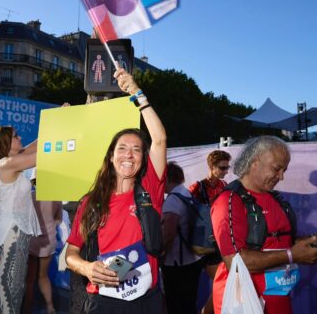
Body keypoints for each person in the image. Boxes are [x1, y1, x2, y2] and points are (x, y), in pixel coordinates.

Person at [65, 67, 167, 314]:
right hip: (103, 302)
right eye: (122, 148)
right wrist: (86, 268)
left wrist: (136, 93)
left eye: (136, 149)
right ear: (111, 156)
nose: (129, 155)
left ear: (143, 158)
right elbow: (71, 253)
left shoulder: (150, 192)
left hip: (147, 301)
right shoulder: (91, 201)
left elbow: (160, 139)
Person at [211, 136, 317, 314]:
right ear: (255, 161)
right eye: (276, 169)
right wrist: (292, 256)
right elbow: (236, 262)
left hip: (279, 300)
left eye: (284, 170)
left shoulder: (275, 198)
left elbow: (282, 243)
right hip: (244, 302)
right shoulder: (228, 201)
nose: (281, 177)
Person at [0, 126, 41, 313]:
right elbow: (44, 152)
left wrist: (55, 123)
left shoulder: (11, 161)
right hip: (12, 233)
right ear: (6, 143)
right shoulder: (7, 164)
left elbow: (35, 146)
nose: (20, 138)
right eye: (16, 136)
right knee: (9, 295)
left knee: (13, 292)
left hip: (16, 232)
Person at [188, 150, 231, 314]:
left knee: (224, 283)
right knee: (223, 283)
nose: (226, 171)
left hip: (219, 242)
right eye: (222, 167)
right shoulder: (197, 187)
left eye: (228, 167)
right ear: (211, 166)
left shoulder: (224, 186)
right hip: (201, 244)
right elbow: (185, 213)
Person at [162, 162, 203, 314]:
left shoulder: (173, 199)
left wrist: (161, 256)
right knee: (189, 303)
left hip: (176, 263)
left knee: (175, 305)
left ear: (167, 178)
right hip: (194, 258)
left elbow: (168, 234)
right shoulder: (186, 193)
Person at [22, 174, 62, 314]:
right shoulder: (56, 199)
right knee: (43, 276)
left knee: (30, 279)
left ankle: (26, 309)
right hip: (49, 240)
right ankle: (50, 307)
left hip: (32, 240)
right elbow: (58, 220)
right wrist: (49, 226)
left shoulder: (30, 198)